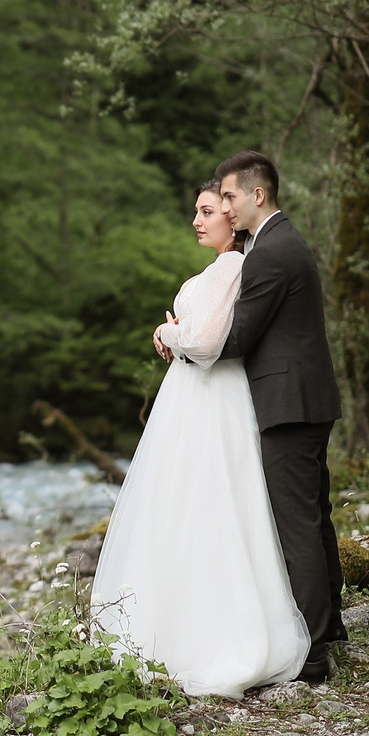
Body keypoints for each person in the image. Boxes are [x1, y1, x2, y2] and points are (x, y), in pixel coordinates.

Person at [86, 185, 311, 696]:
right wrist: (180, 339)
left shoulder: (233, 267)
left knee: (212, 502)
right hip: (191, 394)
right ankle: (172, 622)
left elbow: (208, 344)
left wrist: (169, 335)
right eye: (195, 212)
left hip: (212, 396)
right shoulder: (215, 271)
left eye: (207, 211)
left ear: (233, 219)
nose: (197, 220)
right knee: (180, 502)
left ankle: (211, 632)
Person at [214, 150, 348, 682]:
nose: (225, 207)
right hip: (307, 400)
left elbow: (239, 335)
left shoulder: (271, 252)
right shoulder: (279, 242)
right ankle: (330, 626)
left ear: (256, 194)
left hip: (289, 405)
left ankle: (313, 655)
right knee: (315, 518)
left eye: (229, 196)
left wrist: (179, 338)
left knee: (296, 526)